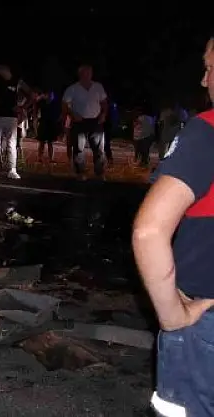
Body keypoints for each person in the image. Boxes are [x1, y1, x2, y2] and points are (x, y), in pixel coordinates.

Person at [132, 37, 214, 417]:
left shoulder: (207, 132)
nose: (204, 80)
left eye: (210, 68)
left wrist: (172, 317)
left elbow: (149, 231)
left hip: (204, 326)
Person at [61, 64, 108, 180]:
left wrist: (103, 114)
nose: (88, 75)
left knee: (99, 149)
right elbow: (64, 105)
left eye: (89, 73)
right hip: (79, 122)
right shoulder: (73, 89)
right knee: (78, 149)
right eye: (85, 73)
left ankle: (100, 173)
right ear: (80, 74)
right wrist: (72, 114)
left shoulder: (98, 87)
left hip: (96, 121)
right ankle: (80, 173)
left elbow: (104, 102)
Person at [0, 64, 33, 179]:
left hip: (12, 117)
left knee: (12, 144)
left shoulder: (18, 81)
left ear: (6, 69)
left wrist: (22, 107)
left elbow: (31, 94)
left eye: (0, 69)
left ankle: (12, 170)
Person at [36, 90, 61, 164]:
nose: (50, 96)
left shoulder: (55, 104)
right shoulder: (42, 103)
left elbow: (58, 114)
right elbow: (36, 103)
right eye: (48, 95)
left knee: (50, 143)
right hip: (43, 123)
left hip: (51, 124)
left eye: (51, 95)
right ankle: (40, 158)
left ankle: (50, 159)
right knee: (42, 142)